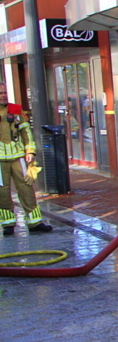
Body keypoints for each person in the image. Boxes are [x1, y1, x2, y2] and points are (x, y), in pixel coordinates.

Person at [0, 84, 51, 234]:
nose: (3, 95)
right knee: (2, 192)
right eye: (0, 93)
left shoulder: (15, 110)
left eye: (5, 92)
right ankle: (8, 224)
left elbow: (26, 132)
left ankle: (35, 222)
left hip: (18, 157)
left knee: (26, 188)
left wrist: (30, 151)